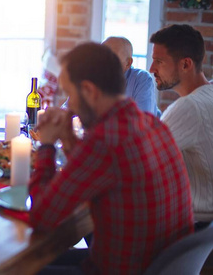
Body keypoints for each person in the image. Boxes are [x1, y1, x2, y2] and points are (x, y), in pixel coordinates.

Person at [30, 42, 194, 274]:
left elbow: (41, 217)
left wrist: (46, 145)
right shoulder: (152, 124)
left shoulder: (104, 141)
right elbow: (92, 171)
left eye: (70, 93)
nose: (70, 104)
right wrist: (67, 137)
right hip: (158, 264)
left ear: (88, 90)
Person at [150, 24, 213, 229]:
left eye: (159, 61)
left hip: (191, 232)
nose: (152, 69)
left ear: (186, 65)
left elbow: (141, 160)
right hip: (209, 233)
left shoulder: (189, 107)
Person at [102, 36, 160, 116]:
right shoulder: (94, 78)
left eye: (111, 56)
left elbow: (142, 121)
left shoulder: (141, 79)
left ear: (128, 63)